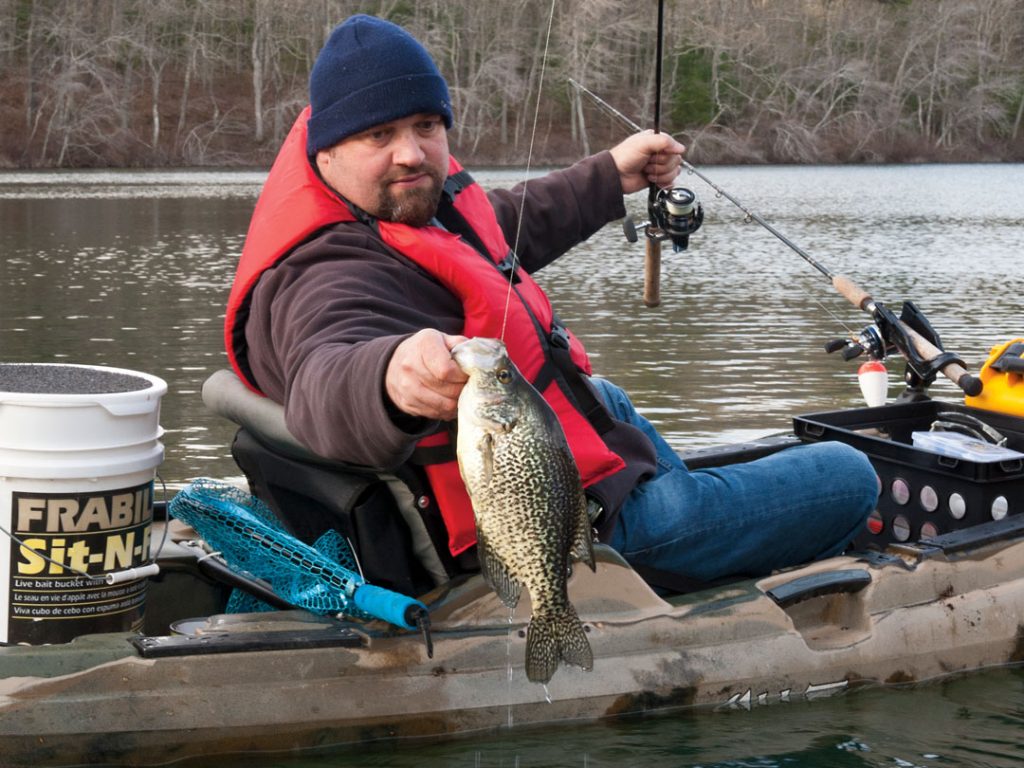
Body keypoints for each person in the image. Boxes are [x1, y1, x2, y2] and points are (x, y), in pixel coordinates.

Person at [225, 14, 877, 588]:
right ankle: (694, 562)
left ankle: (697, 513)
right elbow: (323, 376)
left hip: (579, 457)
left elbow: (497, 228)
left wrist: (607, 177)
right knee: (849, 475)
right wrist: (390, 376)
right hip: (559, 528)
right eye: (379, 134)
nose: (411, 152)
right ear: (327, 148)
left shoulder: (396, 209)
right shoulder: (325, 271)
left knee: (610, 395)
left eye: (426, 125)